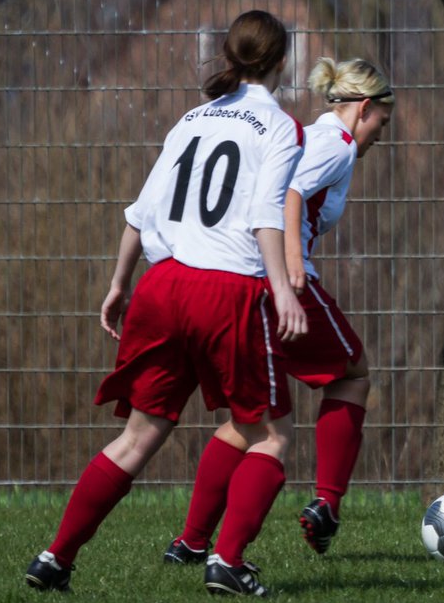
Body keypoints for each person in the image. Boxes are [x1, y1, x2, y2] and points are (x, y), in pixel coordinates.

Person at [24, 9, 308, 596]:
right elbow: (263, 218)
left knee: (137, 435)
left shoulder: (192, 118)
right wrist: (282, 290)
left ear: (231, 57)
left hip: (162, 284)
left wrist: (119, 283)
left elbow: (142, 210)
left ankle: (55, 559)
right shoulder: (279, 126)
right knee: (270, 436)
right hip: (224, 289)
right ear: (280, 61)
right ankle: (226, 563)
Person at [163, 57, 393, 564]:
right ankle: (327, 503)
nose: (381, 134)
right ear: (365, 108)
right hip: (282, 281)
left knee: (249, 421)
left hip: (240, 282)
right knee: (353, 372)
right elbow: (289, 194)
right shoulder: (337, 145)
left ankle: (191, 542)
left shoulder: (311, 134)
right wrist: (291, 271)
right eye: (383, 122)